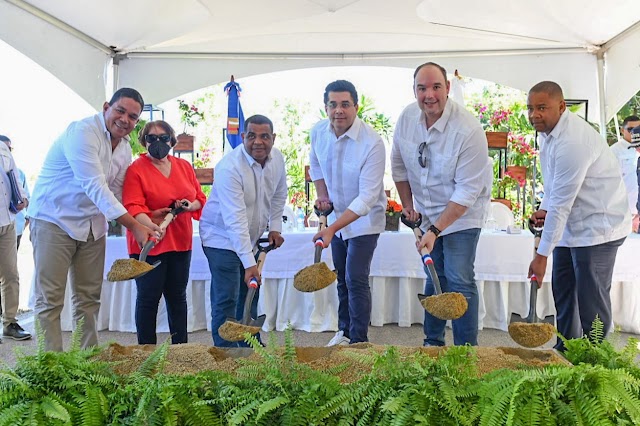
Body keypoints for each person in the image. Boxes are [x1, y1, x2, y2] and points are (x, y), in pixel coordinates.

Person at [28, 88, 160, 352]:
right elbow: (96, 188)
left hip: (92, 226)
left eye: (133, 117)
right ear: (106, 107)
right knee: (50, 300)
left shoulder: (123, 148)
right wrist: (134, 226)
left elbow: (119, 193)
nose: (125, 120)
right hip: (54, 219)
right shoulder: (82, 132)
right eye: (120, 111)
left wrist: (144, 217)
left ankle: (88, 361)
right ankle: (50, 366)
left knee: (89, 299)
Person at [391, 62, 491, 347]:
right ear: (414, 91)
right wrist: (408, 205)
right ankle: (432, 342)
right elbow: (399, 167)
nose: (429, 95)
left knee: (459, 280)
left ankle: (465, 350)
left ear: (448, 88)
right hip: (425, 214)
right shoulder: (407, 118)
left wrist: (435, 230)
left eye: (436, 87)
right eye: (422, 88)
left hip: (462, 216)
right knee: (435, 275)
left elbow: (466, 192)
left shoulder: (468, 129)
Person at [526, 81, 631, 351]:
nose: (534, 114)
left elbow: (561, 204)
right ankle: (566, 352)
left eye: (542, 108)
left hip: (599, 227)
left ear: (561, 107)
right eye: (530, 108)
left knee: (590, 301)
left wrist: (540, 257)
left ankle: (595, 362)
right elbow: (554, 188)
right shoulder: (547, 134)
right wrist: (544, 208)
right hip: (572, 226)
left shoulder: (573, 141)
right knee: (564, 293)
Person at [309, 80, 386, 346]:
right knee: (342, 275)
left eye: (345, 105)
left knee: (355, 277)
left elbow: (367, 198)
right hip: (337, 219)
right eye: (333, 105)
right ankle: (344, 332)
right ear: (325, 107)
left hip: (365, 221)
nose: (338, 111)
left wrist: (330, 228)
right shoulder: (318, 132)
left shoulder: (372, 143)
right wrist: (322, 195)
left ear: (356, 106)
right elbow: (315, 164)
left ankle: (359, 341)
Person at [200, 115, 286, 347]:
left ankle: (250, 346)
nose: (258, 142)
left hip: (252, 237)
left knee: (250, 292)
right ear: (242, 137)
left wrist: (275, 228)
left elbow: (278, 195)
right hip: (221, 238)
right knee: (227, 296)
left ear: (273, 138)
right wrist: (249, 264)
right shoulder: (230, 167)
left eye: (264, 136)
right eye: (251, 136)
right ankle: (225, 352)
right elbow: (235, 220)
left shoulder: (277, 159)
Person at [122, 120, 206, 345]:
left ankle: (181, 352)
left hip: (180, 241)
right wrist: (149, 223)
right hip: (149, 242)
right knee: (149, 299)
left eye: (163, 137)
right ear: (144, 141)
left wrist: (188, 206)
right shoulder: (136, 169)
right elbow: (132, 205)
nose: (158, 142)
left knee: (178, 298)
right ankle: (146, 353)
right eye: (152, 138)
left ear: (171, 140)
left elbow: (199, 198)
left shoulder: (184, 167)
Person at [0, 137, 30, 341]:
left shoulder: (3, 148)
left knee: (11, 274)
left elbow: (14, 177)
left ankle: (10, 322)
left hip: (7, 221)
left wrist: (22, 199)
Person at [0, 136, 30, 249]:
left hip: (14, 226)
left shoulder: (19, 173)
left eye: (9, 149)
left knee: (10, 266)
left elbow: (26, 197)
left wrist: (24, 202)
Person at [610, 115, 640, 219]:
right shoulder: (613, 152)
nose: (635, 133)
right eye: (631, 129)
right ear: (622, 130)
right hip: (624, 211)